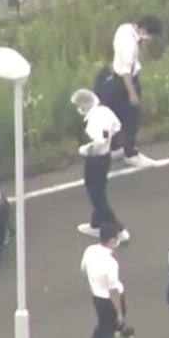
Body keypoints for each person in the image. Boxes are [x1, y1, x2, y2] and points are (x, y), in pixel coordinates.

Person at [100, 15, 163, 167]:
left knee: (117, 117)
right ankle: (131, 153)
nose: (147, 38)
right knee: (131, 118)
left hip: (115, 79)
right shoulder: (130, 44)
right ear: (144, 30)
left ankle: (115, 149)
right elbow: (126, 71)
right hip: (126, 82)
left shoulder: (124, 29)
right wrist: (132, 93)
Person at [71, 89, 130, 244]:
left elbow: (99, 142)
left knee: (97, 196)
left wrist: (84, 150)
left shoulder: (94, 121)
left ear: (85, 105)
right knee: (98, 191)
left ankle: (118, 229)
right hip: (105, 158)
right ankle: (96, 224)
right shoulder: (105, 111)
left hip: (96, 160)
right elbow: (116, 127)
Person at [81, 222, 127, 338]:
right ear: (112, 240)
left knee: (103, 325)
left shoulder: (90, 251)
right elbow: (113, 291)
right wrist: (119, 313)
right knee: (111, 332)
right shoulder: (110, 263)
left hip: (97, 297)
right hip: (109, 302)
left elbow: (84, 270)